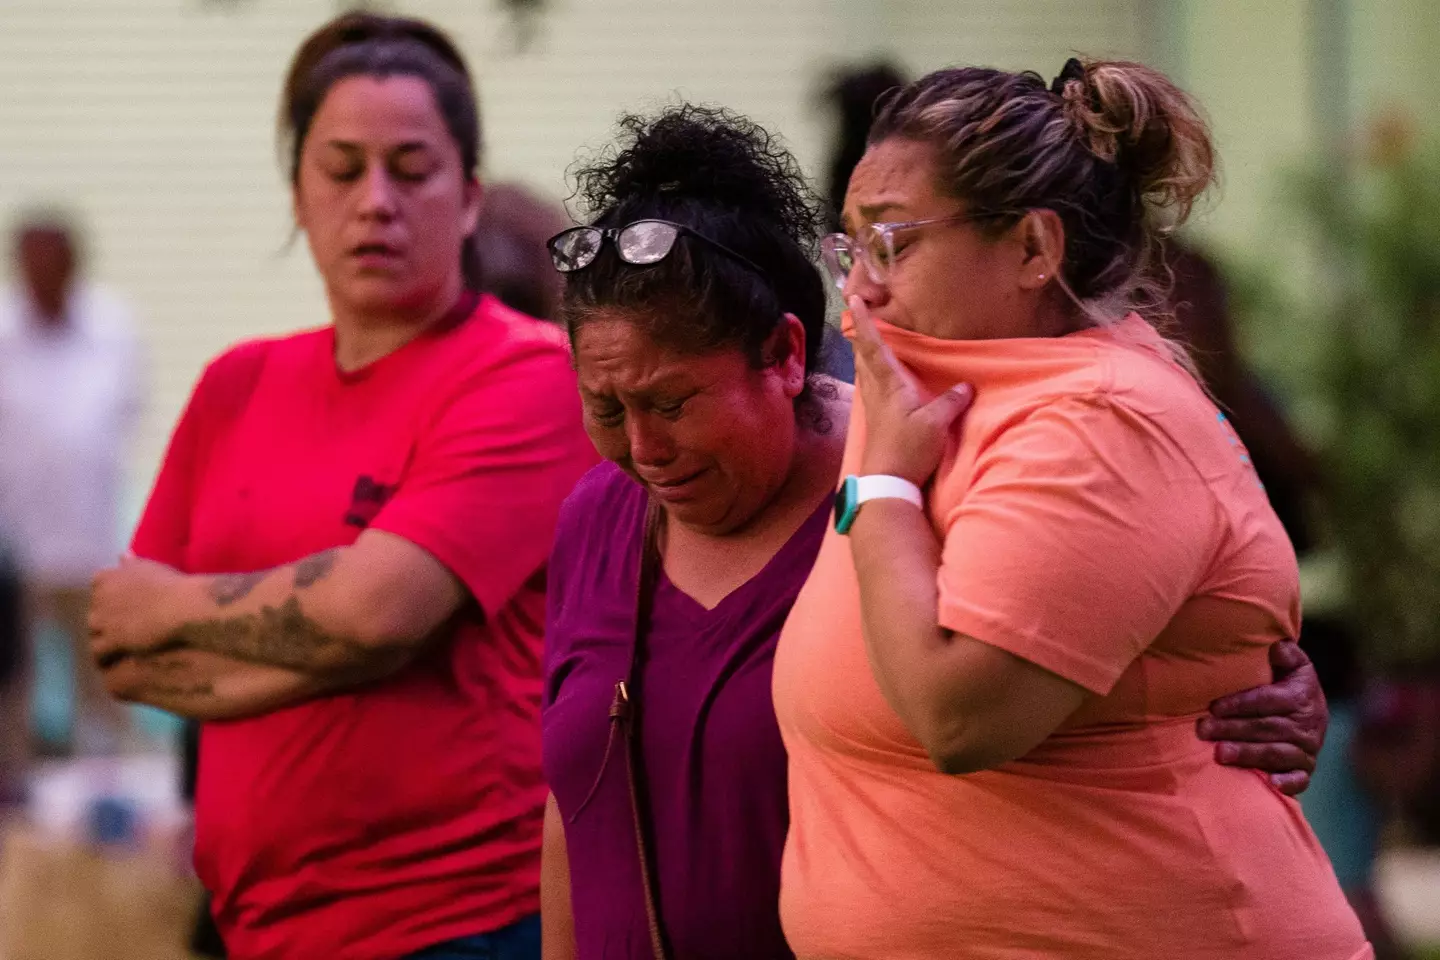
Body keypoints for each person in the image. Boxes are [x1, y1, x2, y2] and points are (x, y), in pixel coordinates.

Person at [539, 105, 1331, 960]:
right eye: (605, 408)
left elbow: (1075, 626)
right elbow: (576, 805)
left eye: (672, 403)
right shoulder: (600, 517)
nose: (644, 448)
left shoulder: (920, 480)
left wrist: (1240, 681)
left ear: (786, 355)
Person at [774, 59, 1370, 959]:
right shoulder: (928, 383)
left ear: (1032, 249)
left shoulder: (1102, 419)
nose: (860, 287)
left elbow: (961, 718)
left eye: (894, 241)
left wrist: (885, 489)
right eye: (850, 248)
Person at [85, 13, 596, 960]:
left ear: (471, 196)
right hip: (259, 927)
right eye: (342, 167)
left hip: (461, 923)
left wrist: (189, 611)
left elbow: (375, 614)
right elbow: (126, 653)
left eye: (412, 168)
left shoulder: (528, 374)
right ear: (297, 193)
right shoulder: (237, 384)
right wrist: (337, 639)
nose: (375, 201)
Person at [0, 214, 143, 770]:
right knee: (16, 681)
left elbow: (125, 416)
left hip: (91, 541)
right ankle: (18, 784)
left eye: (52, 261)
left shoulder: (114, 329)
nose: (41, 275)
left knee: (104, 678)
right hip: (17, 548)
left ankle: (105, 782)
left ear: (74, 264)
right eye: (29, 262)